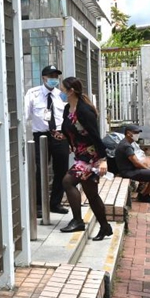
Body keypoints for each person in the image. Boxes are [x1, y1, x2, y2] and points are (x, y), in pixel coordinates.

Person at [57, 76, 113, 241]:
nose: (61, 92)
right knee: (91, 194)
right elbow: (68, 129)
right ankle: (104, 226)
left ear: (71, 91)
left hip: (91, 157)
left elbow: (95, 136)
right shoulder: (69, 108)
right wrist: (65, 139)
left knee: (68, 181)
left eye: (63, 89)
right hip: (80, 155)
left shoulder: (84, 110)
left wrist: (103, 159)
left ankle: (78, 221)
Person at [24, 64, 69, 217]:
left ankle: (55, 203)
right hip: (40, 136)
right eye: (51, 76)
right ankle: (38, 205)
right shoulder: (33, 93)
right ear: (43, 78)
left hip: (60, 136)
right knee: (39, 170)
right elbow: (25, 116)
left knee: (61, 170)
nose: (54, 79)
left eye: (56, 77)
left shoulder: (62, 95)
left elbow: (69, 115)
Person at [114, 125, 150, 203]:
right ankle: (144, 195)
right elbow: (136, 163)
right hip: (128, 172)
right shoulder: (126, 146)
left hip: (128, 169)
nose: (137, 134)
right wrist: (148, 169)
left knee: (147, 165)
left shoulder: (125, 143)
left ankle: (143, 188)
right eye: (135, 132)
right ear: (128, 133)